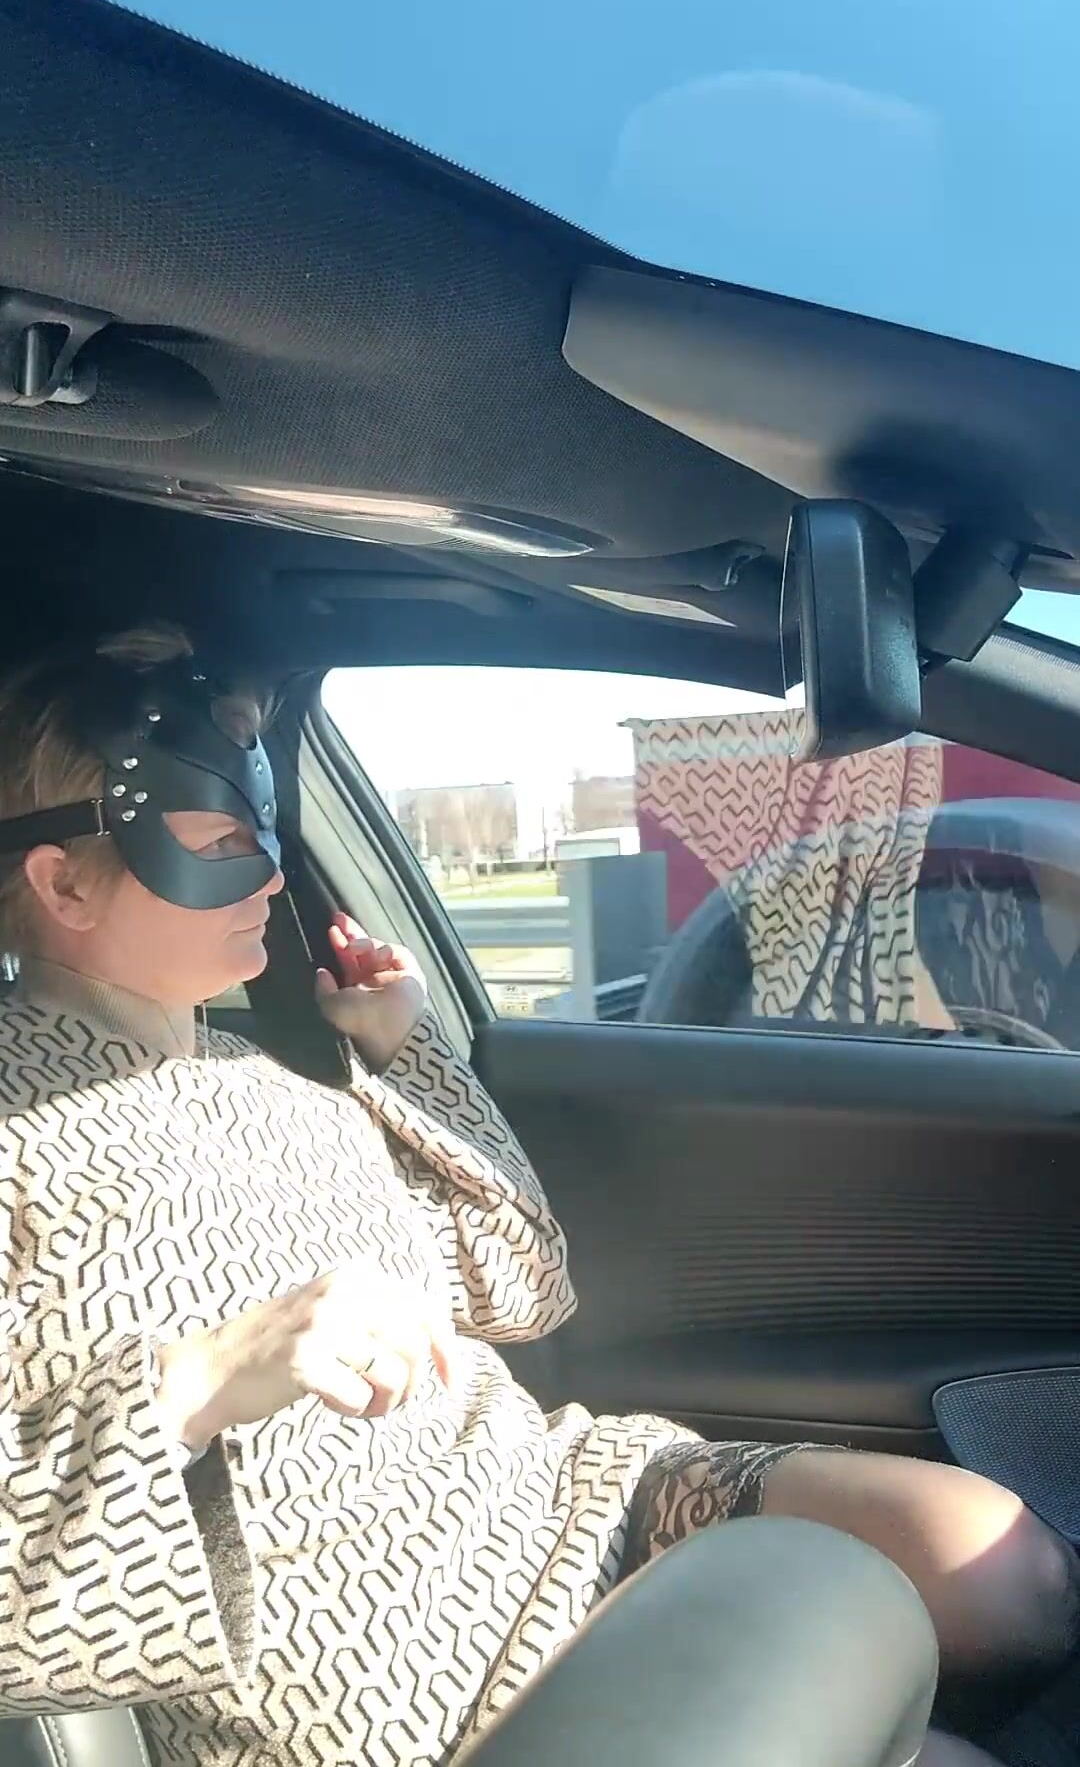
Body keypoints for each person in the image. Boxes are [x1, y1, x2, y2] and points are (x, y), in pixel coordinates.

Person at [0, 627, 1074, 1767]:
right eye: (221, 844)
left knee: (1009, 1571)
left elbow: (524, 1288)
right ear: (62, 881)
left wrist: (406, 1051)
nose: (270, 874)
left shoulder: (274, 1082)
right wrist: (197, 1384)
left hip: (570, 1502)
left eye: (262, 833)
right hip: (415, 1688)